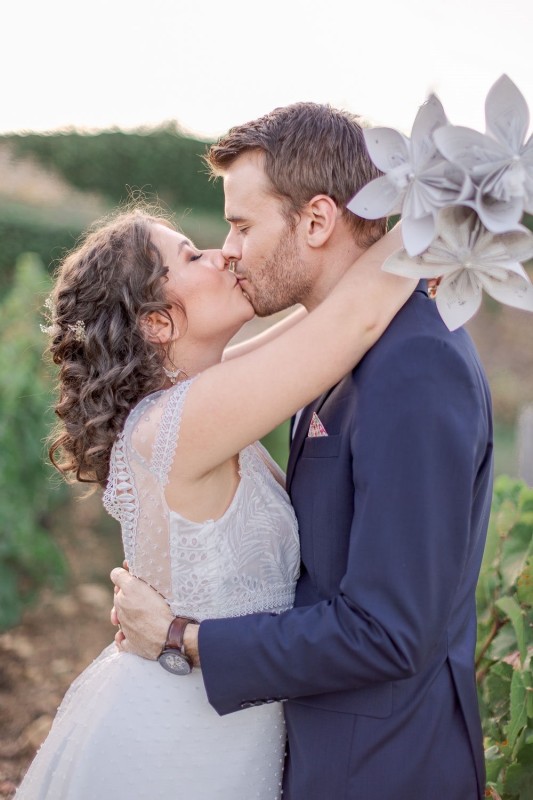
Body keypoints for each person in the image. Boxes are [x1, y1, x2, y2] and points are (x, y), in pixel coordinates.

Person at [112, 103, 494, 800]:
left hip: (382, 771)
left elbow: (387, 632)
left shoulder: (413, 364)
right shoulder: (321, 359)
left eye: (240, 225)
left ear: (315, 220)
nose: (226, 248)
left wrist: (183, 638)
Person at [15, 185, 414, 800]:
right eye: (193, 257)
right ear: (157, 321)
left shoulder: (197, 400)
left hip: (220, 729)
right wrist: (449, 206)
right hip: (178, 750)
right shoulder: (180, 424)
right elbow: (349, 323)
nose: (222, 254)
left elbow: (324, 317)